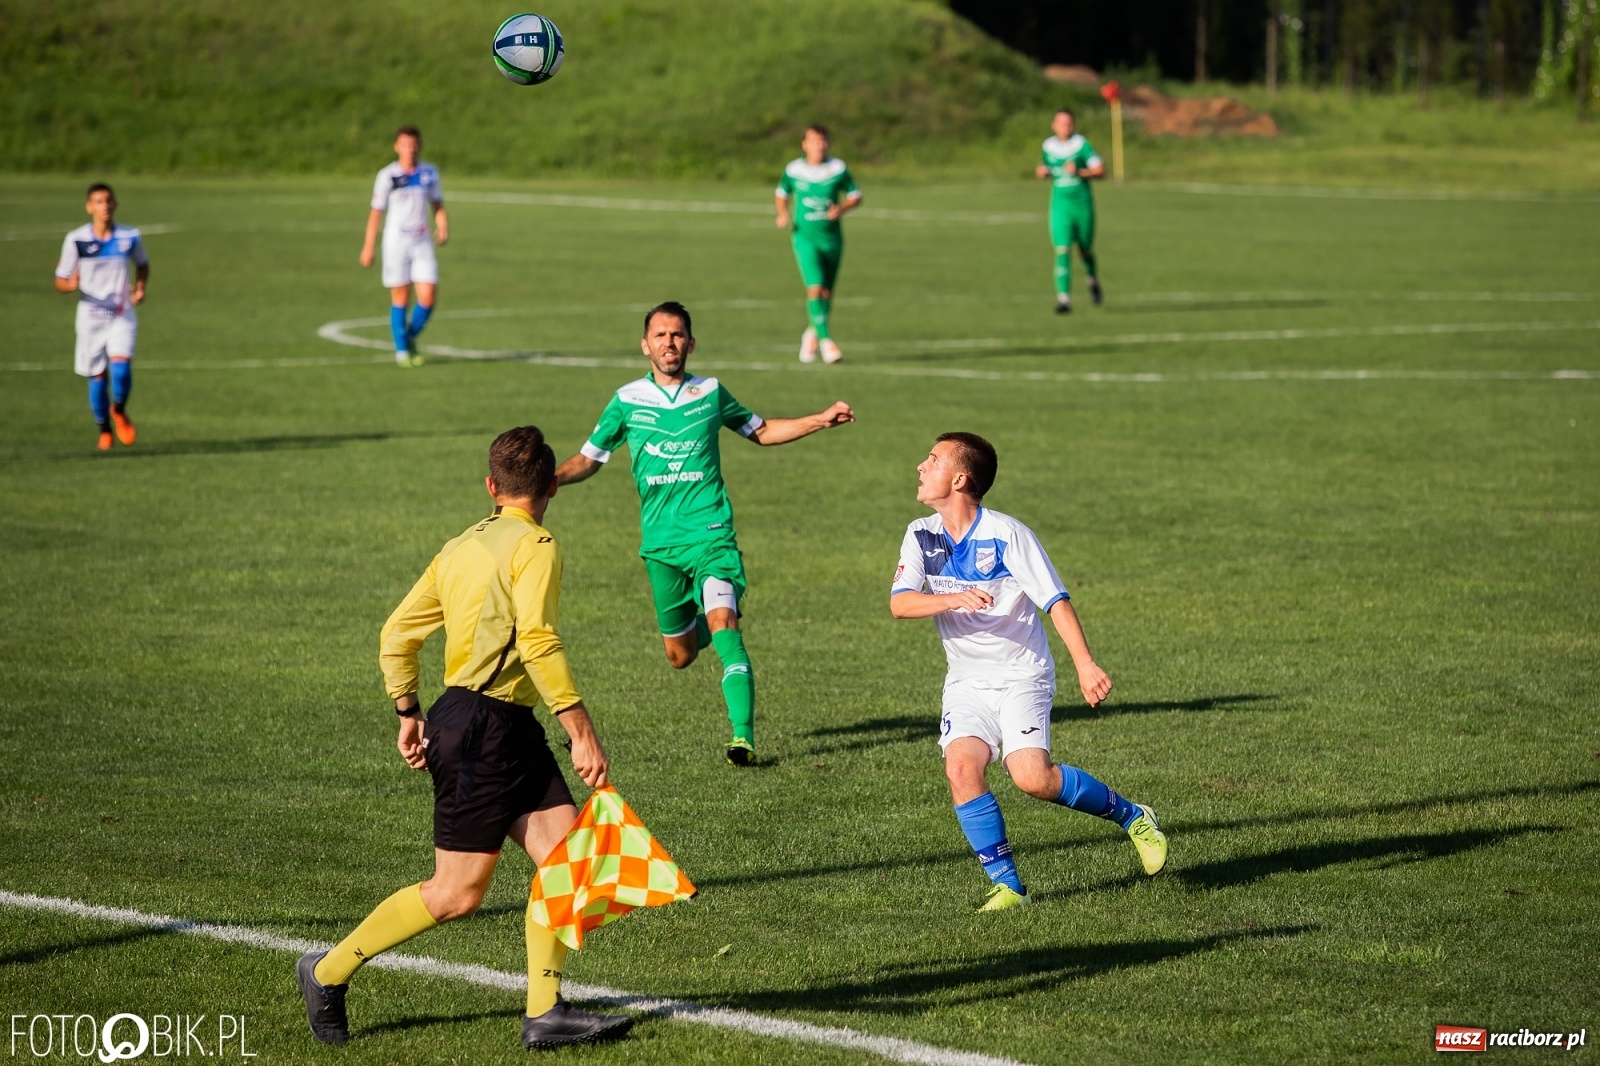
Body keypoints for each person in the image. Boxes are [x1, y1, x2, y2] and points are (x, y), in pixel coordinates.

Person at [296, 426, 632, 1050]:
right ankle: (325, 972)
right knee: (455, 893)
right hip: (482, 729)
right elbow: (536, 639)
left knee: (567, 863)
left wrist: (408, 710)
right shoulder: (537, 544)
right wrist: (581, 732)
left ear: (491, 487)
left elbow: (397, 633)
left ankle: (545, 1011)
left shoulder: (459, 546)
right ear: (552, 482)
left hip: (491, 723)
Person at [554, 301, 854, 766]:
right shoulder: (628, 400)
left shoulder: (711, 393)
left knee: (725, 625)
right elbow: (590, 457)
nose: (669, 343)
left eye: (677, 335)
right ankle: (708, 615)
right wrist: (550, 479)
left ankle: (743, 738)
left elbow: (762, 430)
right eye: (660, 336)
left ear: (690, 343)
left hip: (712, 535)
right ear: (645, 345)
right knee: (680, 655)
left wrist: (820, 419)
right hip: (661, 547)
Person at [889, 432, 1166, 911]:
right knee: (960, 768)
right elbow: (899, 604)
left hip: (1022, 675)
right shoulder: (921, 533)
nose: (919, 466)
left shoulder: (1007, 534)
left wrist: (1085, 664)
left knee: (1032, 778)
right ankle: (1009, 887)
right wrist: (953, 598)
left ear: (959, 478)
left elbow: (1055, 601)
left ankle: (1134, 817)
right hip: (966, 682)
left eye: (931, 460)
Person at [54, 183, 147, 451]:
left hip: (121, 315)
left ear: (115, 204)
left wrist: (140, 288)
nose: (104, 206)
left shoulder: (129, 236)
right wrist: (69, 285)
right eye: (98, 201)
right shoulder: (77, 240)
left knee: (121, 367)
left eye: (108, 201)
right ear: (89, 207)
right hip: (90, 319)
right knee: (96, 377)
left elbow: (142, 264)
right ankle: (104, 429)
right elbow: (60, 279)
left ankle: (118, 410)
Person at [361, 125, 448, 367]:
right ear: (396, 146)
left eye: (413, 144)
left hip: (422, 244)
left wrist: (443, 226)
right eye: (405, 144)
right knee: (401, 296)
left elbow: (437, 204)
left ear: (419, 146)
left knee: (428, 297)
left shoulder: (429, 173)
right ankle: (402, 352)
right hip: (396, 244)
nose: (410, 148)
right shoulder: (387, 176)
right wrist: (368, 247)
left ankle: (406, 339)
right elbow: (375, 214)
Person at [774, 125, 862, 364]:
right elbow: (782, 193)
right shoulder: (794, 170)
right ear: (804, 144)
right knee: (815, 288)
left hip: (832, 238)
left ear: (828, 143)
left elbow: (856, 195)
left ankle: (812, 332)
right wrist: (783, 214)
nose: (818, 146)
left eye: (822, 141)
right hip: (804, 237)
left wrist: (841, 208)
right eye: (813, 141)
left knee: (826, 293)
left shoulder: (837, 169)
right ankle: (827, 342)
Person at [1035, 108, 1105, 315]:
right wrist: (1041, 172)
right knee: (1062, 250)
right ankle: (1064, 299)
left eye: (1069, 123)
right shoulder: (1048, 147)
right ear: (1054, 125)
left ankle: (1092, 279)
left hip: (1082, 205)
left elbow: (1100, 171)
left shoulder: (1081, 146)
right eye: (1061, 123)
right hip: (1060, 206)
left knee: (1085, 249)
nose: (1066, 126)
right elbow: (1043, 167)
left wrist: (1081, 172)